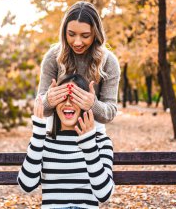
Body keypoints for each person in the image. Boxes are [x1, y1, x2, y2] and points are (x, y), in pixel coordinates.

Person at [18, 74, 114, 209]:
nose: (68, 103)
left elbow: (104, 195)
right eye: (62, 97)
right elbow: (26, 185)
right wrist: (38, 135)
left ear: (85, 103)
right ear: (54, 103)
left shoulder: (101, 142)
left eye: (75, 98)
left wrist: (89, 147)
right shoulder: (42, 140)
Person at [37, 1, 120, 133]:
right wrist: (48, 100)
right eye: (71, 34)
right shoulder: (53, 57)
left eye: (85, 36)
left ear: (95, 34)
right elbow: (39, 105)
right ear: (64, 32)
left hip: (93, 132)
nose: (77, 42)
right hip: (57, 131)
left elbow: (110, 112)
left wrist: (93, 104)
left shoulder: (109, 62)